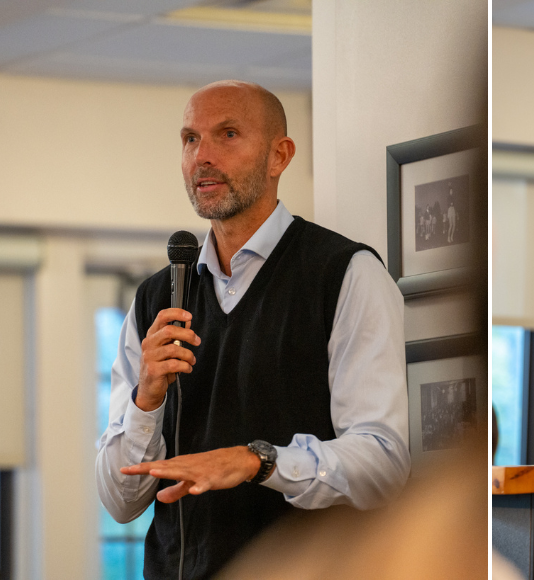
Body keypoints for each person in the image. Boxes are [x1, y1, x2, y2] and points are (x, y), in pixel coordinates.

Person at [94, 80, 410, 579]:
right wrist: (146, 399)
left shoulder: (344, 274)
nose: (202, 156)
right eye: (190, 140)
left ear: (278, 156)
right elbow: (119, 501)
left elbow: (382, 463)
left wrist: (258, 462)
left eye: (228, 134)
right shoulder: (156, 299)